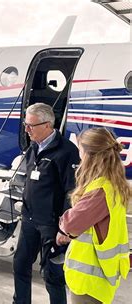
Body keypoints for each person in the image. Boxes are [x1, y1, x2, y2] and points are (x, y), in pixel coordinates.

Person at [12, 103, 80, 304]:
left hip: (52, 225)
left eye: (31, 125)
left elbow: (73, 192)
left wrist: (65, 228)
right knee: (20, 266)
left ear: (48, 125)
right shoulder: (34, 147)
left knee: (52, 276)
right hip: (30, 220)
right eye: (26, 124)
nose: (26, 130)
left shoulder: (67, 151)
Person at [56, 128, 131, 304]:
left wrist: (62, 225)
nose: (79, 154)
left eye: (80, 149)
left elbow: (71, 224)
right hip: (100, 276)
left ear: (90, 155)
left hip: (89, 279)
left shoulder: (100, 190)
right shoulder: (113, 184)